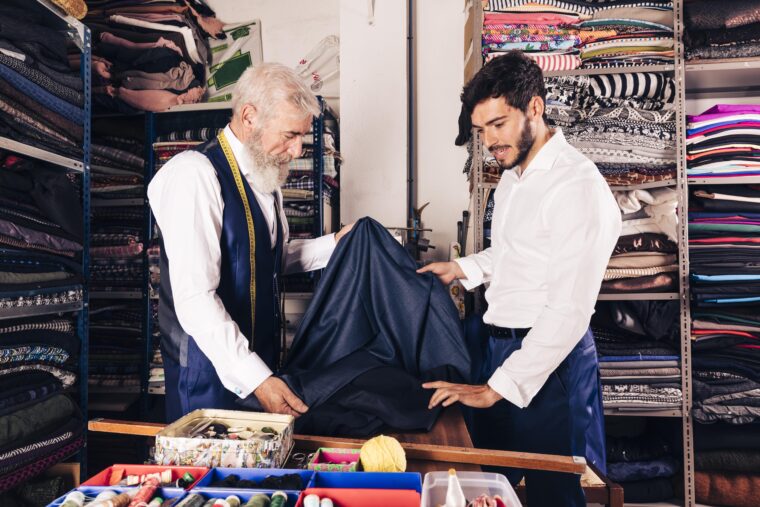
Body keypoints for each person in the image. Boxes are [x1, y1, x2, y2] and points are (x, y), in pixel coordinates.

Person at [418, 51, 622, 506]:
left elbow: (569, 311)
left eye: (498, 124)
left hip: (551, 364)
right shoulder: (514, 174)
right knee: (496, 487)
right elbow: (517, 252)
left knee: (552, 492)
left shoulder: (577, 187)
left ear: (534, 107)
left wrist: (496, 388)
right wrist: (464, 268)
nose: (490, 140)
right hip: (499, 345)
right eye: (482, 130)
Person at [148, 63, 353, 422]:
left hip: (258, 372)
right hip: (208, 382)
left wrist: (337, 243)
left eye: (302, 137)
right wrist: (259, 379)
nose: (296, 150)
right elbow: (195, 298)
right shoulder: (194, 174)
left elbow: (266, 258)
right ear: (249, 116)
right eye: (290, 134)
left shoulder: (265, 179)